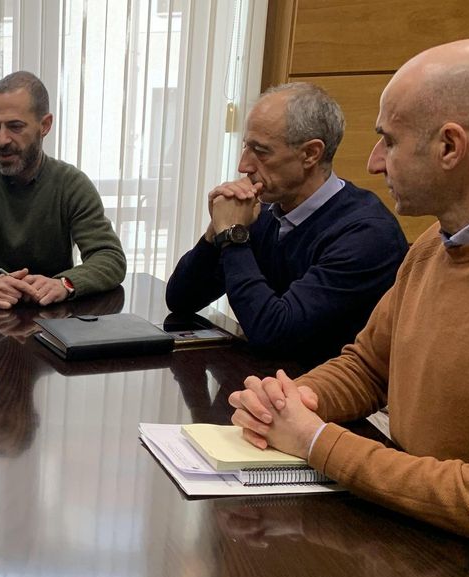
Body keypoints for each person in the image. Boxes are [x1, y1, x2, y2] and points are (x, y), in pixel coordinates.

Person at [228, 39, 469, 546]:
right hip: (414, 537)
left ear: (450, 146)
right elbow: (369, 365)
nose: (374, 163)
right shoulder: (431, 246)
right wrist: (297, 399)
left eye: (389, 141)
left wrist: (316, 441)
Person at [166, 82, 407, 366]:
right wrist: (216, 231)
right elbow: (181, 300)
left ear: (310, 154)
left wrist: (233, 236)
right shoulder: (264, 211)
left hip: (324, 400)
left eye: (261, 151)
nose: (244, 165)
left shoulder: (367, 235)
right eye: (246, 146)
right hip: (263, 384)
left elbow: (275, 334)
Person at [0, 70, 127, 309]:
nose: (1, 140)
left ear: (45, 125)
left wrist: (65, 284)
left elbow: (110, 257)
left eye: (15, 126)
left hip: (56, 322)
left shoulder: (71, 184)